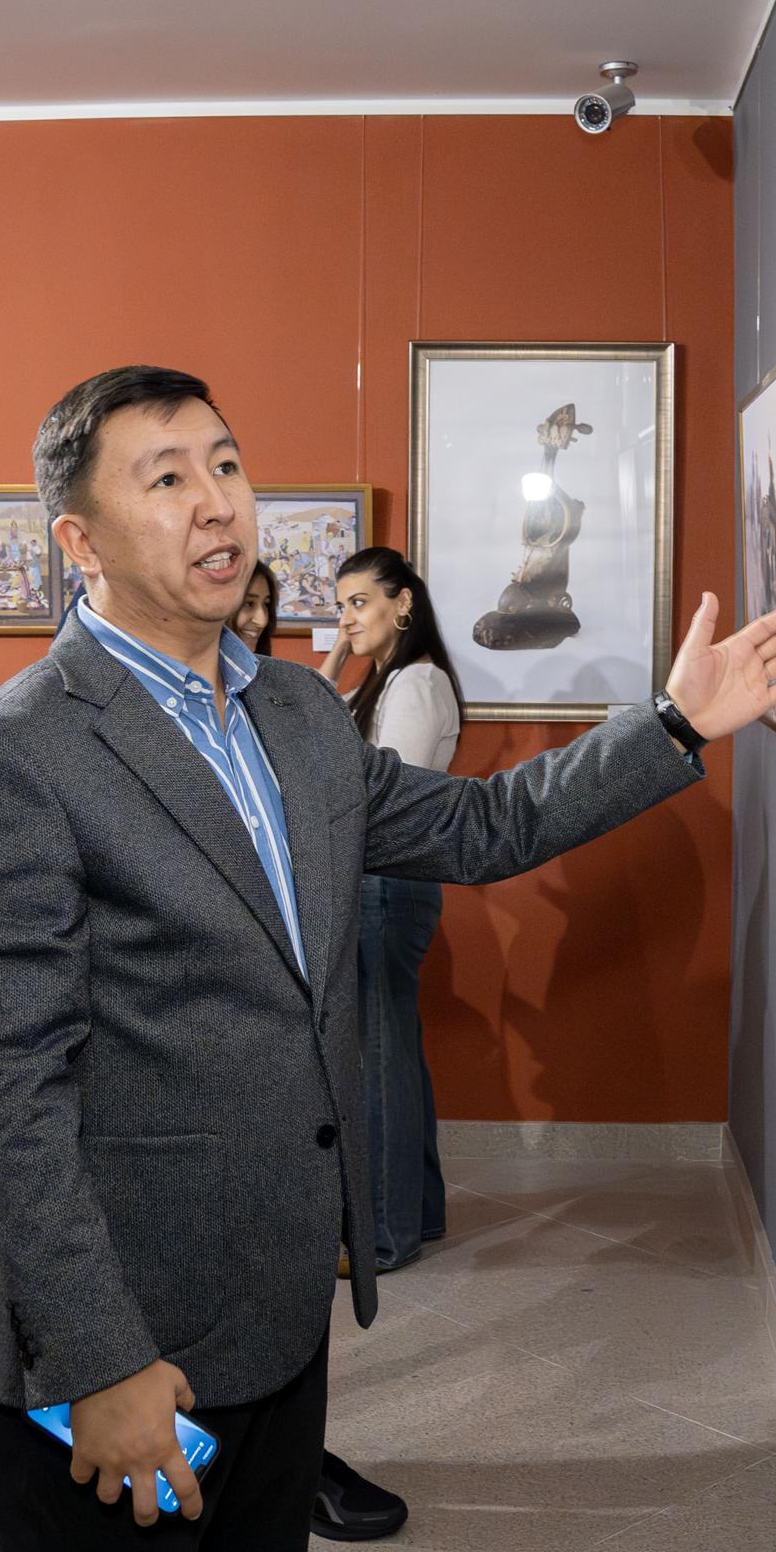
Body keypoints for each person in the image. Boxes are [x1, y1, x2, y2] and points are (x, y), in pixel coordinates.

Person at [0, 365, 776, 1552]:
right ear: (78, 540)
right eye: (167, 478)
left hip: (282, 1323)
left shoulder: (293, 716)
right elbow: (10, 1093)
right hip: (125, 1341)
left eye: (226, 463)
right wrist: (100, 1364)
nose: (218, 504)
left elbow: (483, 830)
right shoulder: (8, 752)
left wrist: (674, 724)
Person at [330, 546, 461, 1275]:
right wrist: (334, 667)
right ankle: (421, 1215)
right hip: (384, 884)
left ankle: (384, 1236)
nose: (346, 619)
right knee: (394, 1053)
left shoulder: (416, 682)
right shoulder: (383, 683)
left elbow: (385, 800)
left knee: (378, 1060)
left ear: (402, 603)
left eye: (360, 603)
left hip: (387, 882)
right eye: (341, 606)